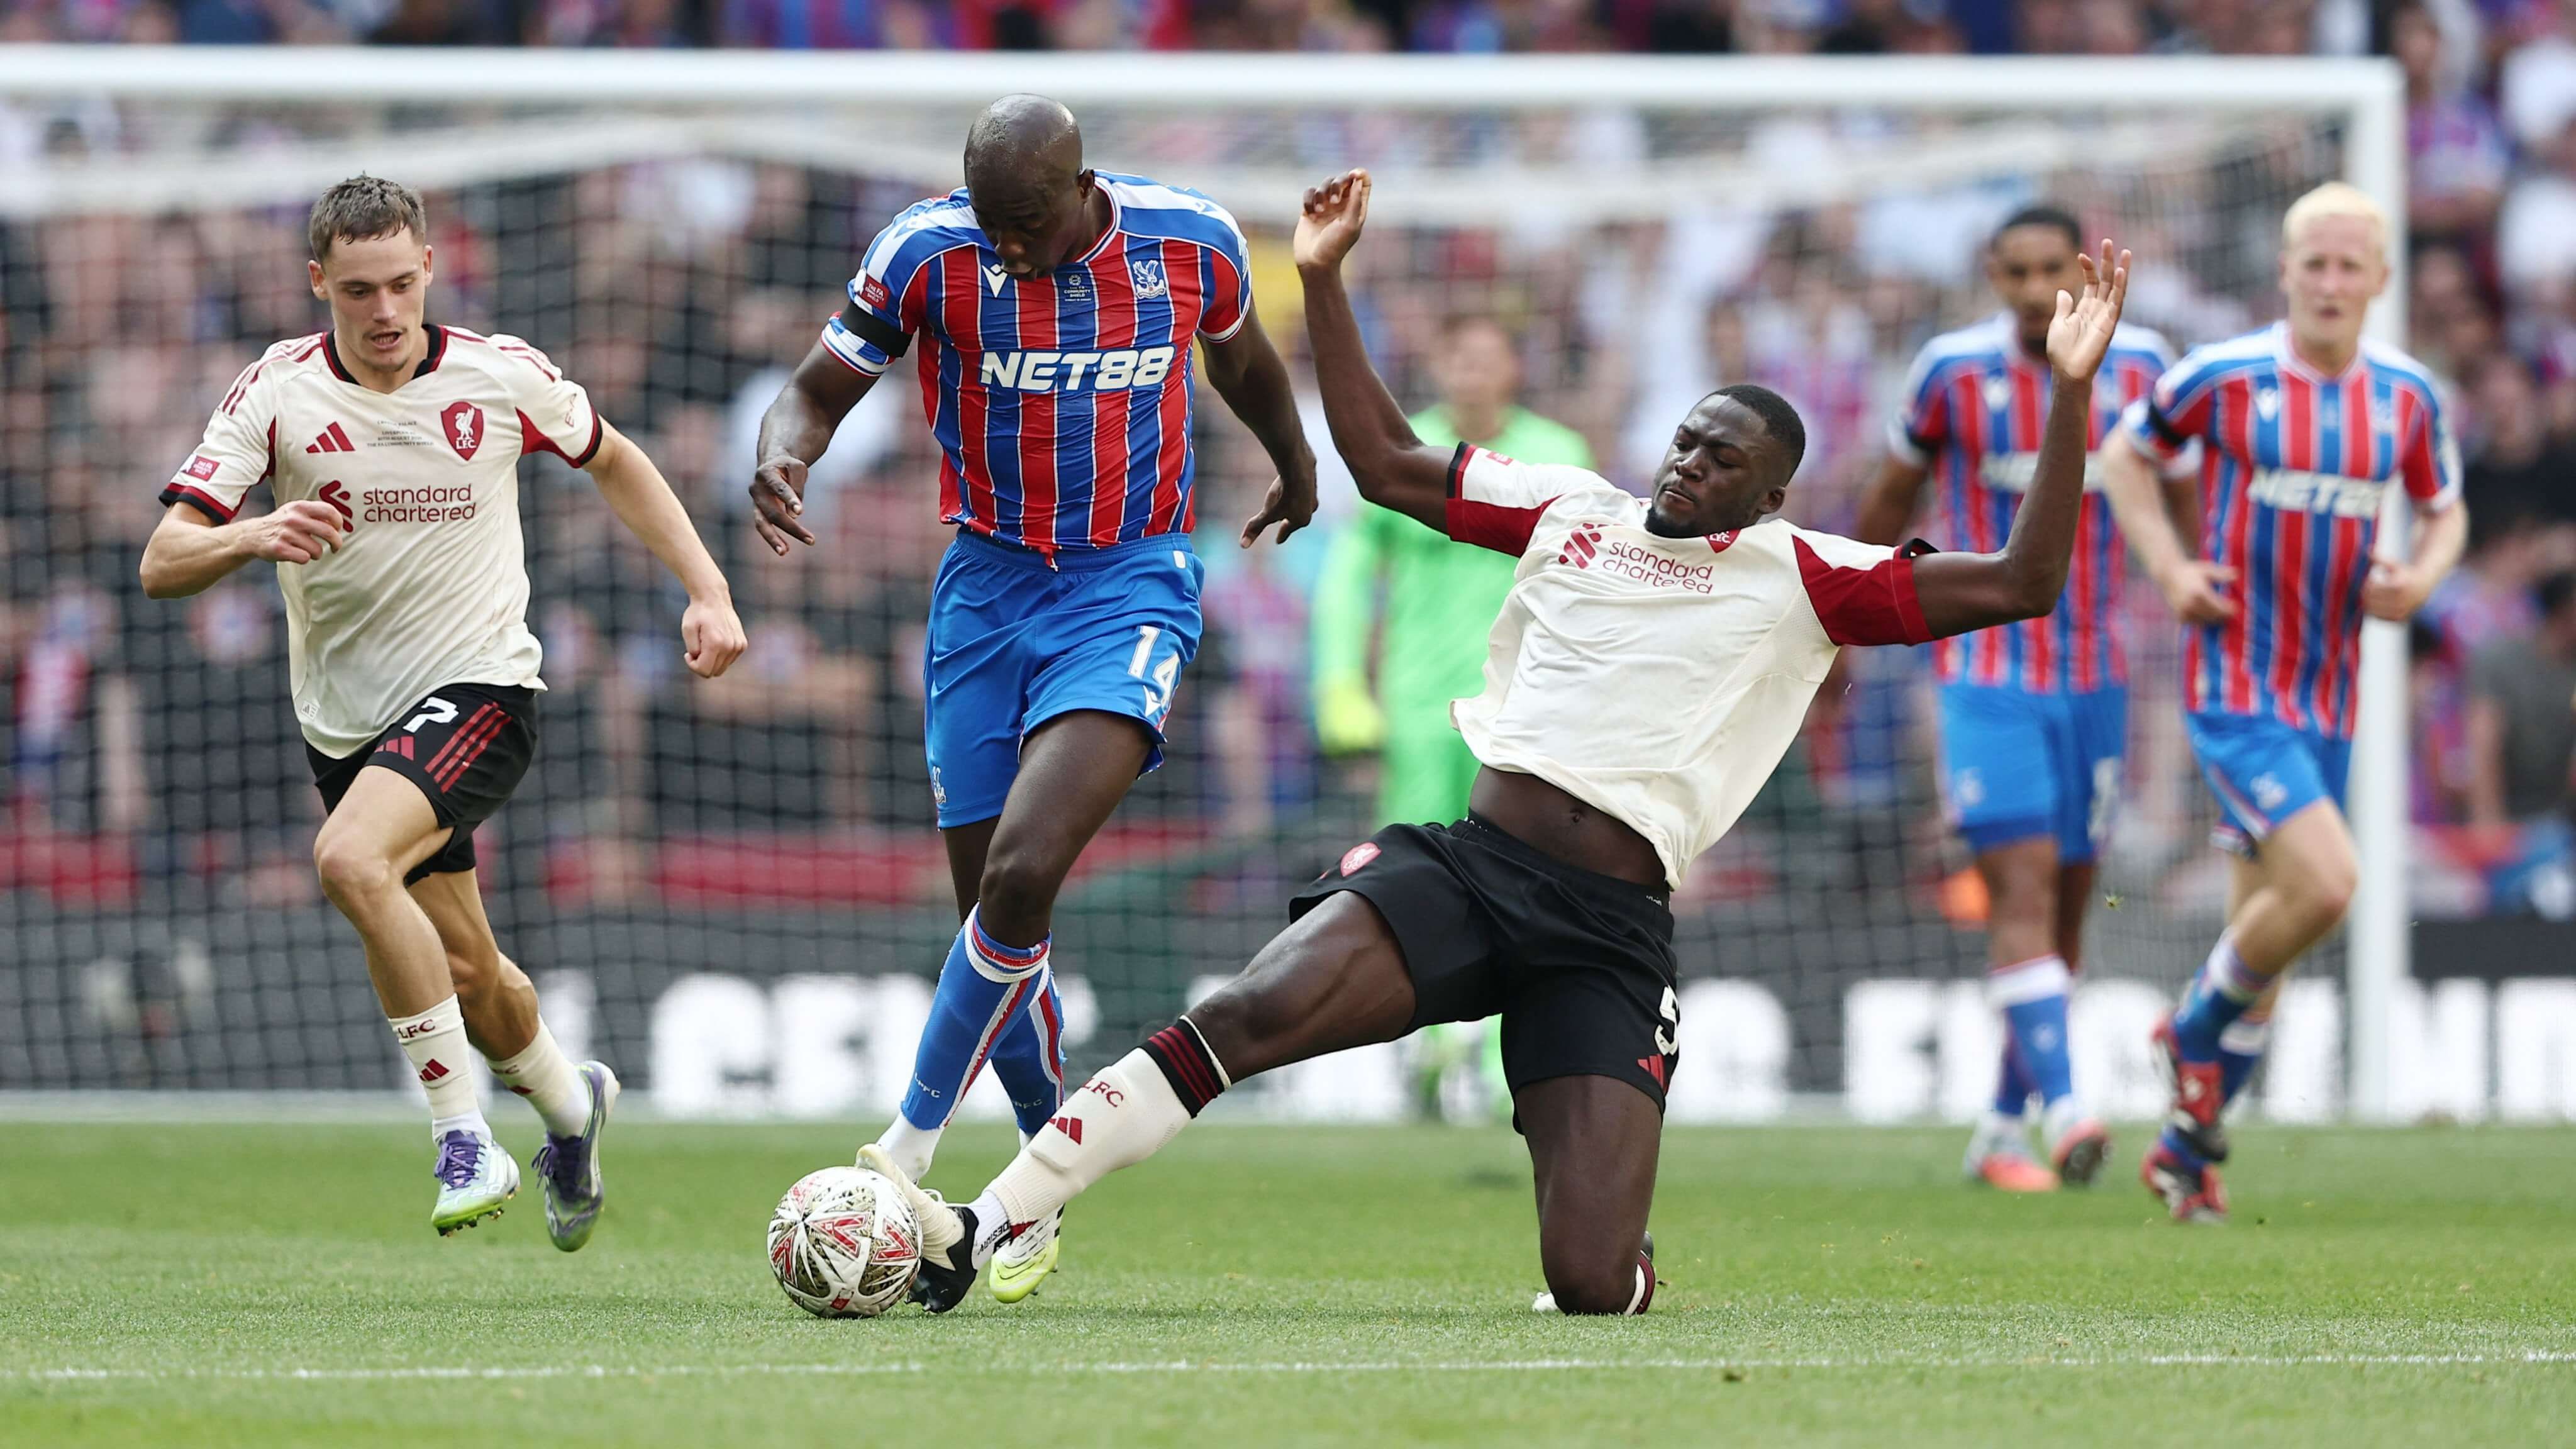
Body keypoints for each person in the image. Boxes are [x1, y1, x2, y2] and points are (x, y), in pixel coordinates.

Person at [865, 169, 2134, 1316]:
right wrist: (1320, 280)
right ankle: (984, 1225)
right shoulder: (1570, 505)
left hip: (1607, 930)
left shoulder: (1806, 574)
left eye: (1721, 459)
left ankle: (1614, 1240)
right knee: (1244, 1013)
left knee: (1586, 1283)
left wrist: (2068, 395)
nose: (1687, 465)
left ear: (1768, 495)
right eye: (1687, 438)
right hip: (1464, 870)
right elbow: (1378, 459)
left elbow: (2024, 581)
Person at [748, 96, 1316, 1305]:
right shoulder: (925, 254)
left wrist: (1298, 459)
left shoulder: (1190, 242)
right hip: (985, 587)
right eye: (990, 219)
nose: (1007, 245)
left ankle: (901, 1153)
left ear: (1081, 186)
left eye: (1026, 221)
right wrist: (782, 453)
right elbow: (813, 387)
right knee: (989, 913)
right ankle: (1030, 1185)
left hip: (1130, 585)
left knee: (1021, 870)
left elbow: (1248, 361)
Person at [138, 175, 747, 1240]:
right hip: (348, 725)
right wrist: (253, 533)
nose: (384, 311)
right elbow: (163, 559)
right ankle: (570, 1105)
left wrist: (709, 587)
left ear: (432, 271)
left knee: (347, 859)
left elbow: (617, 459)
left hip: (483, 688)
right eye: (359, 289)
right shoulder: (272, 392)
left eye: (403, 284)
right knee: (470, 970)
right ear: (318, 281)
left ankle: (462, 1137)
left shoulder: (497, 374)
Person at [2103, 182, 2467, 1224]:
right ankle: (2190, 1026)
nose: (2331, 280)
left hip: (2330, 696)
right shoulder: (2222, 377)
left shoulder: (2404, 398)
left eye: (2351, 264)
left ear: (2381, 279)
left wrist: (2422, 575)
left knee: (2274, 934)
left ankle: (2189, 1150)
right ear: (2285, 269)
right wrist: (2171, 568)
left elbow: (2444, 510)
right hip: (2236, 688)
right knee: (2330, 883)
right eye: (2315, 261)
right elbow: (2126, 455)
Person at [1854, 204, 2177, 1192]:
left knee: (2071, 905)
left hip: (2097, 678)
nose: (2037, 291)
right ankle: (2071, 1111)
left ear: (2079, 272)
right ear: (1992, 275)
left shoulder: (2147, 367)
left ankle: (1999, 1126)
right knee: (2025, 887)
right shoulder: (1951, 374)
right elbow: (1891, 499)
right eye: (2017, 272)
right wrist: (1845, 610)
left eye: (2052, 271)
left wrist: (2199, 582)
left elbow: (2188, 495)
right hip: (1985, 673)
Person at [1307, 311, 1595, 1116]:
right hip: (1418, 708)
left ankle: (1509, 1060)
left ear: (1513, 368)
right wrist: (1338, 683)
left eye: (1486, 355)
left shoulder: (1561, 456)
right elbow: (1347, 577)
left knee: (1527, 878)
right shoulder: (1399, 455)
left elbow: (1593, 586)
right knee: (1415, 878)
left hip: (1523, 709)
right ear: (1438, 367)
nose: (1470, 370)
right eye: (1456, 355)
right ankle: (1438, 1043)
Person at [2466, 569, 2576, 830]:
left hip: (2559, 823)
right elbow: (2484, 745)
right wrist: (2488, 824)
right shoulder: (2500, 660)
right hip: (2509, 822)